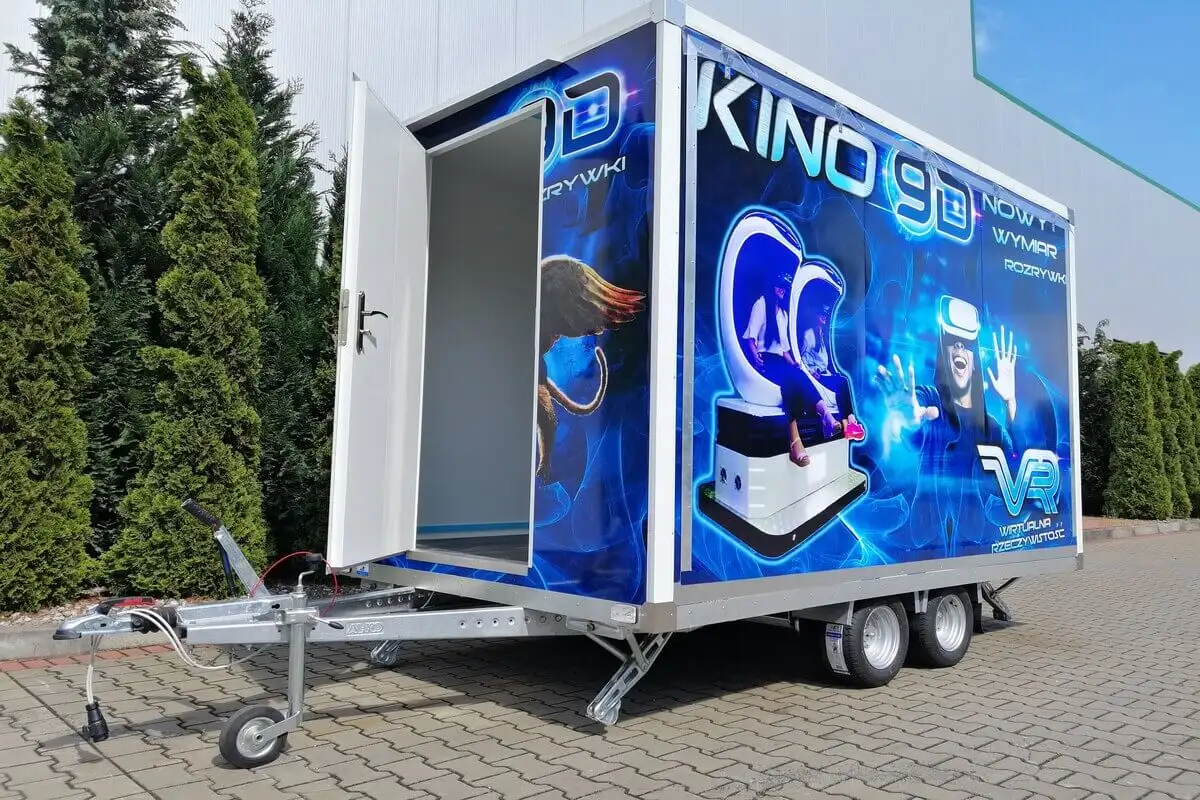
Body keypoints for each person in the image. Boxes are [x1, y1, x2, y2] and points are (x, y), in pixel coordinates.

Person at [743, 271, 862, 467]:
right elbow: (751, 337)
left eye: (785, 287)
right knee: (792, 378)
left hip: (780, 361)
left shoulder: (783, 314)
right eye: (780, 285)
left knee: (798, 374)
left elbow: (784, 350)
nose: (782, 290)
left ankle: (827, 417)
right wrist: (754, 356)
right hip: (766, 359)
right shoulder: (761, 304)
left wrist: (794, 364)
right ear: (773, 286)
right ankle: (796, 438)